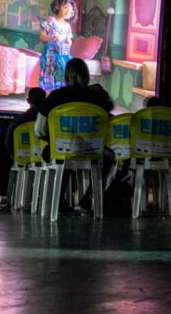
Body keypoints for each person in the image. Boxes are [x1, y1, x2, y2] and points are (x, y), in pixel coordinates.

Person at [36, 58, 115, 214]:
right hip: (92, 152)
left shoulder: (55, 97)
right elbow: (109, 118)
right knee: (109, 157)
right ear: (87, 76)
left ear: (66, 76)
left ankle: (58, 202)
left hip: (59, 150)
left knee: (63, 153)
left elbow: (39, 130)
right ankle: (86, 201)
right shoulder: (97, 99)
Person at [0, 87, 47, 210]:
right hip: (44, 159)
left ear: (28, 101)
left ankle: (5, 196)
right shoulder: (48, 119)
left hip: (21, 157)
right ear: (45, 100)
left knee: (3, 158)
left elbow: (8, 143)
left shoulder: (18, 120)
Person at [39, 0, 77, 92]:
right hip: (51, 51)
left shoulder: (68, 26)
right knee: (53, 65)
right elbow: (42, 36)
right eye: (66, 7)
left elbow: (69, 40)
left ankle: (61, 90)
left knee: (66, 66)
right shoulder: (51, 20)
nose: (68, 11)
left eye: (71, 10)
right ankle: (50, 90)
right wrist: (52, 38)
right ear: (58, 6)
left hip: (63, 52)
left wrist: (69, 41)